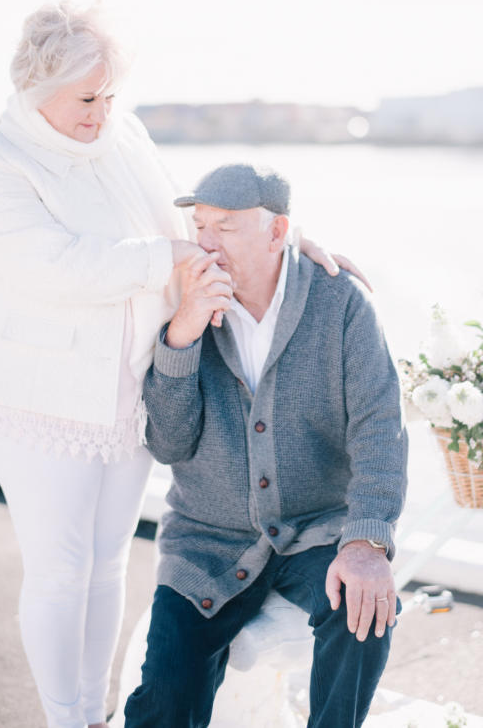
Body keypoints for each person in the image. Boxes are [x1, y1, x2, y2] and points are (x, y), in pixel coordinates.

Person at [0, 0, 360, 728]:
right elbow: (57, 264)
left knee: (105, 565)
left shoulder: (122, 135)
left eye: (109, 94)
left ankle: (94, 712)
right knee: (59, 572)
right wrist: (168, 257)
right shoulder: (6, 156)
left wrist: (282, 243)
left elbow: (182, 211)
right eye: (85, 98)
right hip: (48, 397)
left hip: (127, 389)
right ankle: (64, 718)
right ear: (37, 89)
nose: (100, 112)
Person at [124, 163, 409, 728]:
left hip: (316, 529)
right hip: (207, 543)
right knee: (165, 703)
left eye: (224, 228)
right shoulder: (187, 301)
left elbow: (380, 429)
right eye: (199, 225)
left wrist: (366, 543)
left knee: (365, 610)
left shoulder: (341, 304)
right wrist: (182, 333)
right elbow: (170, 445)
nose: (204, 243)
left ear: (277, 233)